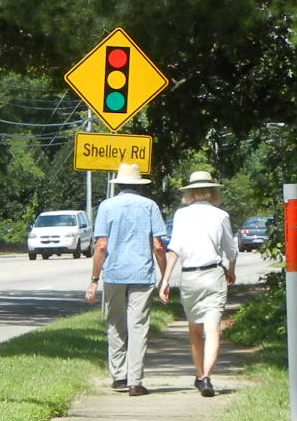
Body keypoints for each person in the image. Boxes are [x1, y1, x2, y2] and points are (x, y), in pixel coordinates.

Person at [87, 162, 169, 395]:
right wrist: (164, 277)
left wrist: (94, 279)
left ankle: (119, 376)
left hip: (114, 273)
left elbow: (101, 245)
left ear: (119, 184)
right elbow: (158, 246)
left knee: (115, 323)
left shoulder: (106, 206)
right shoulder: (149, 206)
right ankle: (135, 381)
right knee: (138, 326)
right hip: (142, 274)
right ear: (139, 185)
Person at [159, 168, 238, 396]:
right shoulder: (221, 215)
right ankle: (206, 378)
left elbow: (174, 249)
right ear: (213, 192)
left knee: (194, 330)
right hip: (213, 275)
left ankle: (200, 374)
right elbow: (231, 251)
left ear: (189, 193)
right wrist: (230, 272)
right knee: (213, 329)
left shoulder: (181, 215)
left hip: (190, 276)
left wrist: (165, 280)